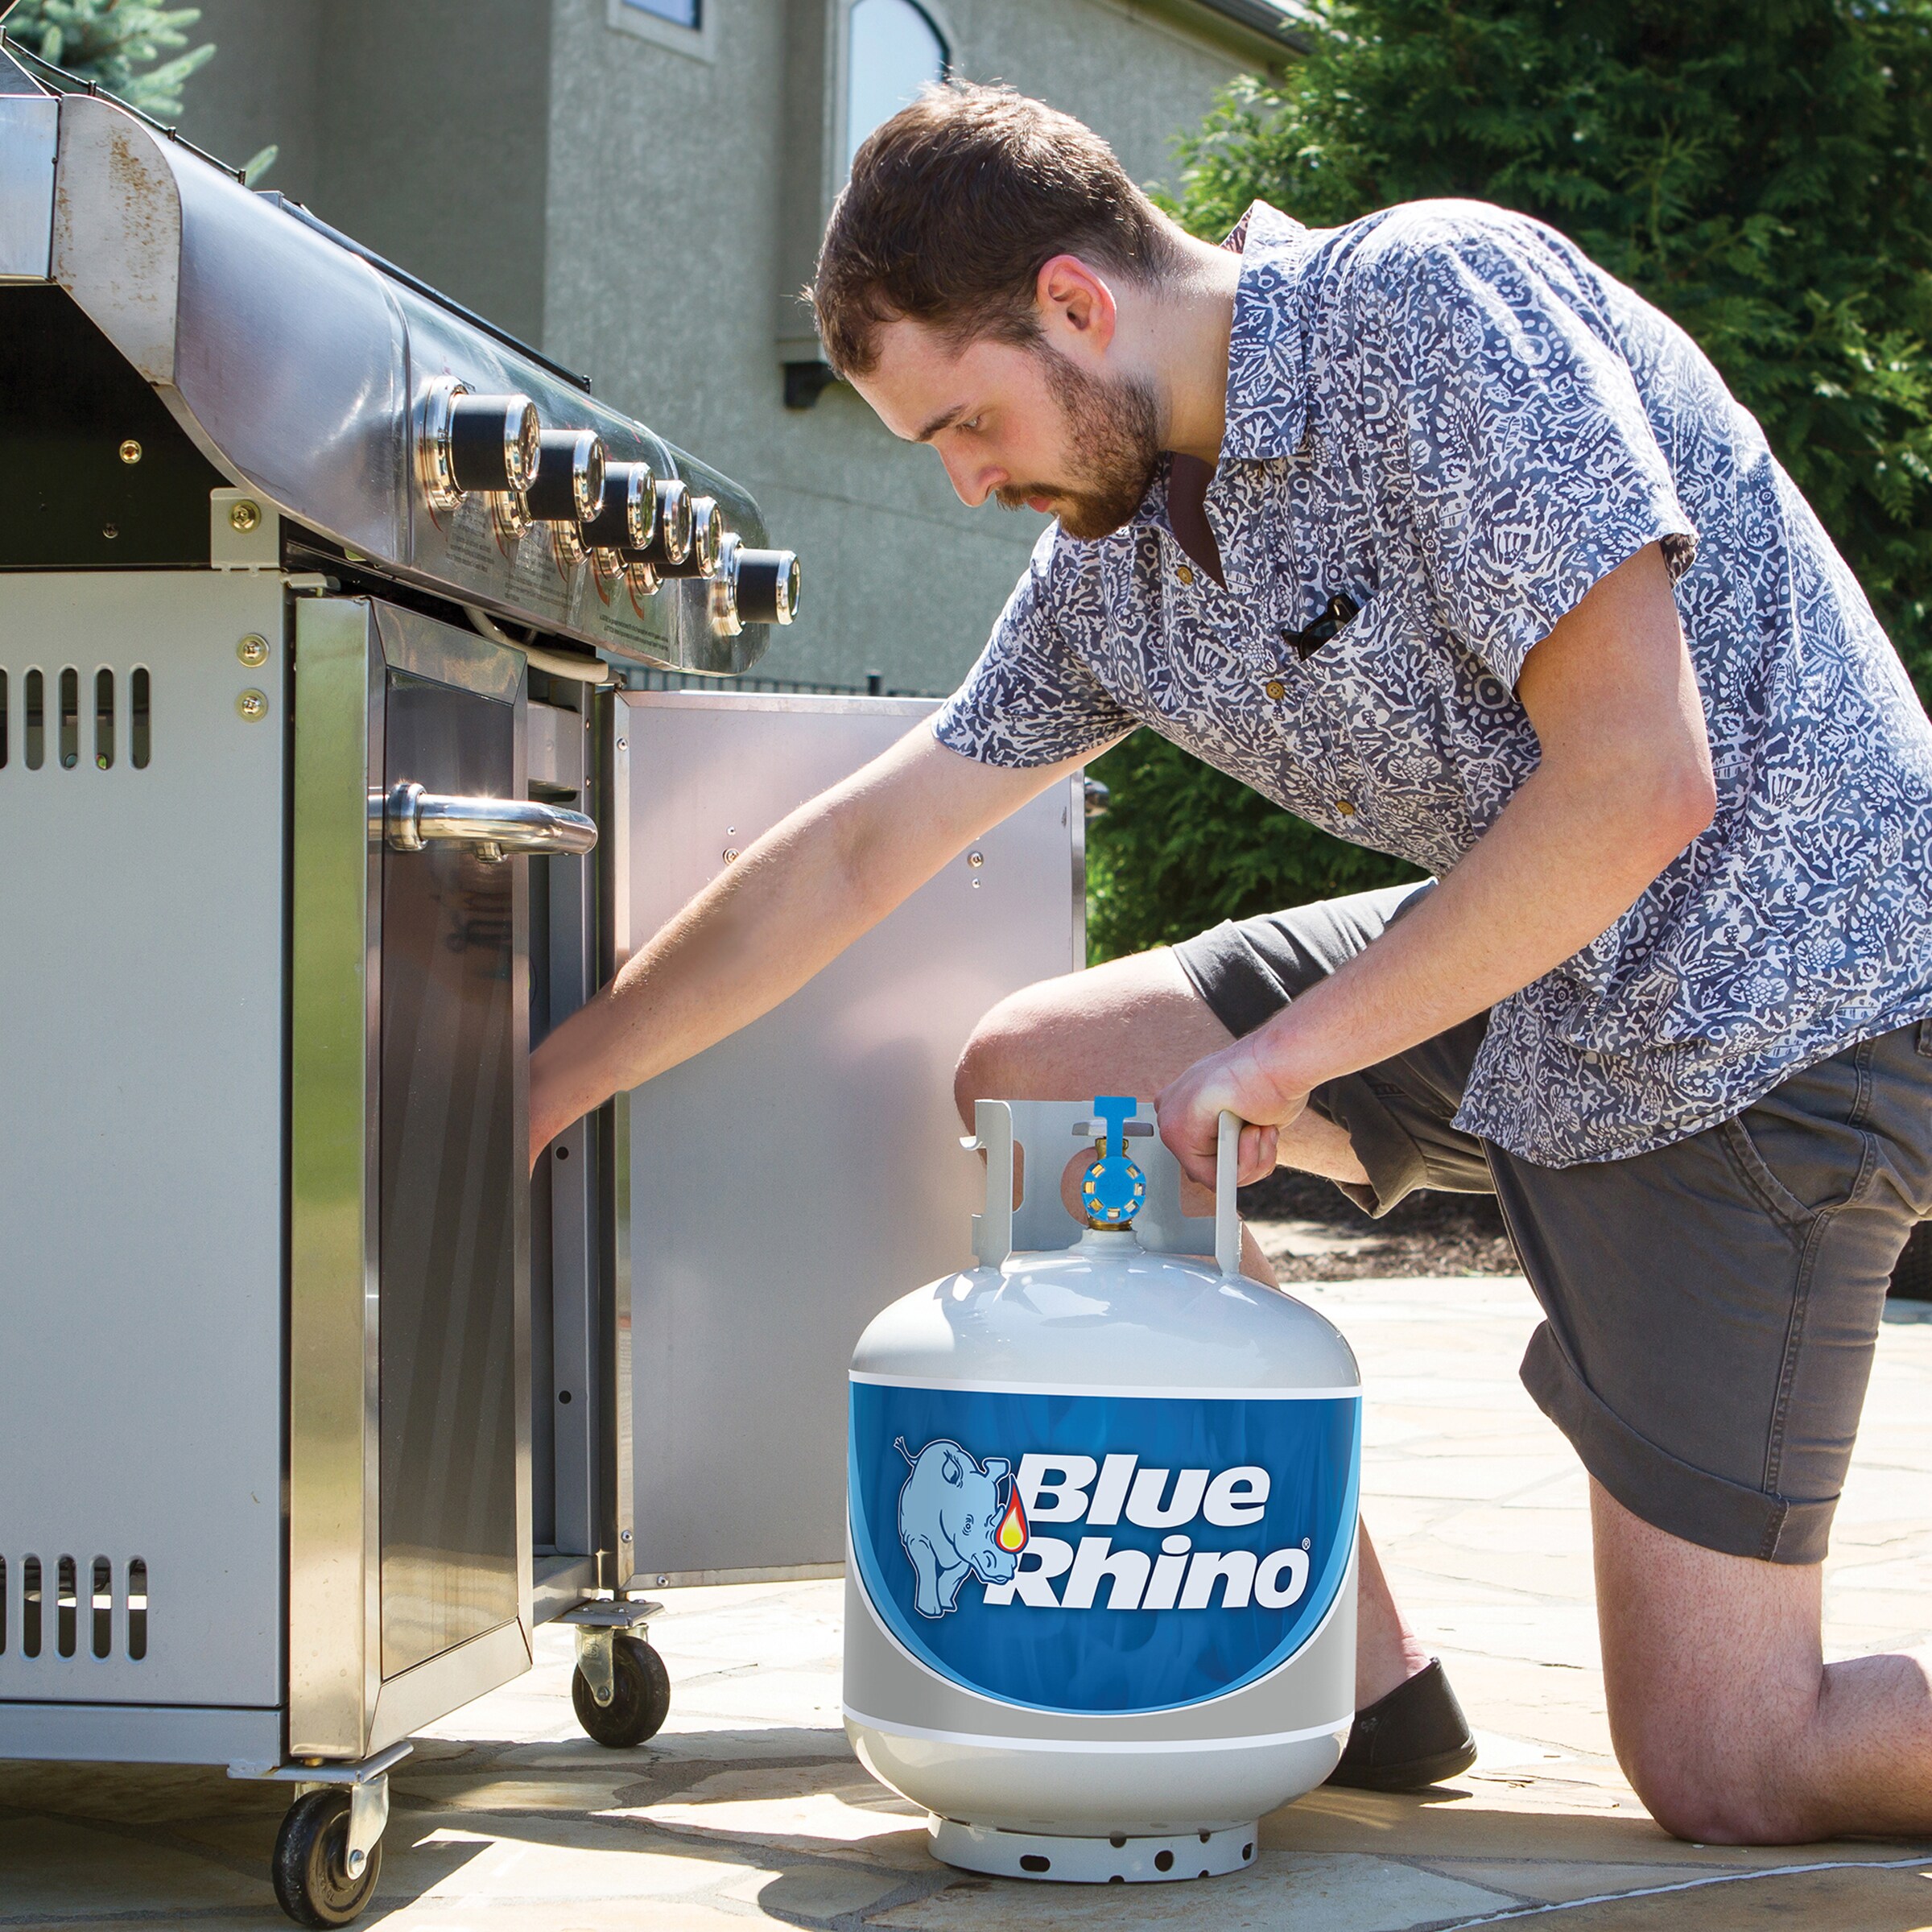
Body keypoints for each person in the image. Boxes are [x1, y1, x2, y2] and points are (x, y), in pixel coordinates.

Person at [531, 83, 1932, 1839]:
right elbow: (856, 849)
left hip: (1782, 1000)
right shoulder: (1115, 566)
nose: (969, 484)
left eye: (964, 422)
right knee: (1048, 1077)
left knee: (1739, 1762)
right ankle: (1351, 1680)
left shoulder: (1427, 311)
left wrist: (1283, 1060)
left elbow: (1642, 783)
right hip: (1546, 984)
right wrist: (544, 1090)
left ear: (1075, 304)